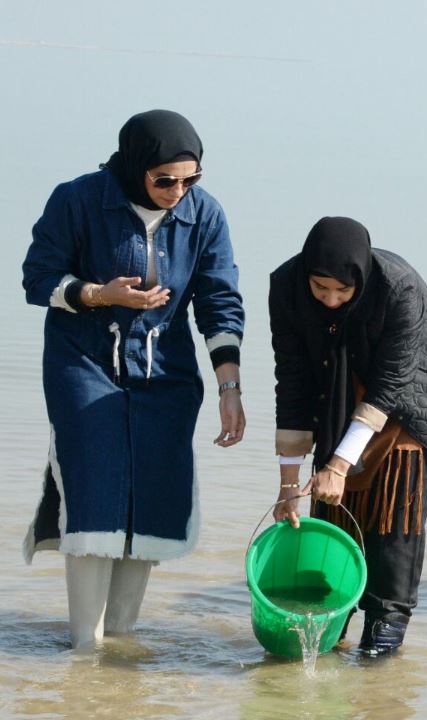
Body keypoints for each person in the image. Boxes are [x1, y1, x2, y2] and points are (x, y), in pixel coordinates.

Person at [21, 109, 246, 648]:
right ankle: (85, 647)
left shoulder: (205, 215)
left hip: (166, 371)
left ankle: (119, 644)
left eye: (190, 180)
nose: (178, 192)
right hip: (84, 364)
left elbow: (220, 303)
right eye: (165, 180)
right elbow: (37, 278)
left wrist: (229, 387)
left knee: (155, 496)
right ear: (135, 165)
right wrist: (100, 294)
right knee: (93, 488)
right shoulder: (77, 199)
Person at [269, 216, 427, 658]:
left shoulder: (398, 288)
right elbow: (292, 381)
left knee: (393, 510)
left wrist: (338, 463)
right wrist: (288, 486)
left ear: (361, 281)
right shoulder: (285, 286)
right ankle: (336, 612)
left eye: (343, 291)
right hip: (341, 386)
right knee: (332, 504)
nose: (331, 300)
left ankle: (386, 623)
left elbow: (390, 384)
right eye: (320, 288)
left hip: (418, 391)